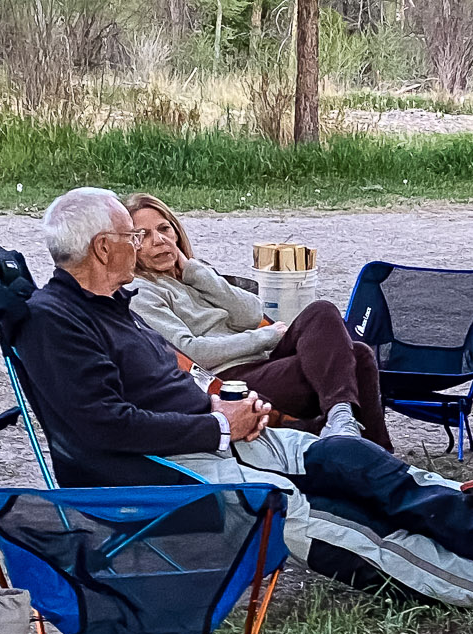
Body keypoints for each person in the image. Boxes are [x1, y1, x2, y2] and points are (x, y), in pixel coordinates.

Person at [18, 187, 473, 611]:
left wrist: (221, 408)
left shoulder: (111, 303)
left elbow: (163, 384)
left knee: (347, 457)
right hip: (169, 467)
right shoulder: (58, 322)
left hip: (210, 431)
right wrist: (218, 425)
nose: (141, 246)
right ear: (102, 248)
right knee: (314, 513)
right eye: (130, 237)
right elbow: (104, 427)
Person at [122, 192, 393, 450]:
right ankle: (370, 446)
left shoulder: (194, 272)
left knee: (323, 313)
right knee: (355, 357)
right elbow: (193, 353)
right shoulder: (141, 291)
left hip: (264, 363)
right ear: (128, 245)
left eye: (164, 229)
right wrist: (268, 337)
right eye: (142, 236)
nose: (159, 240)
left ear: (177, 232)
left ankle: (342, 421)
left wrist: (195, 272)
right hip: (228, 379)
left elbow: (252, 314)